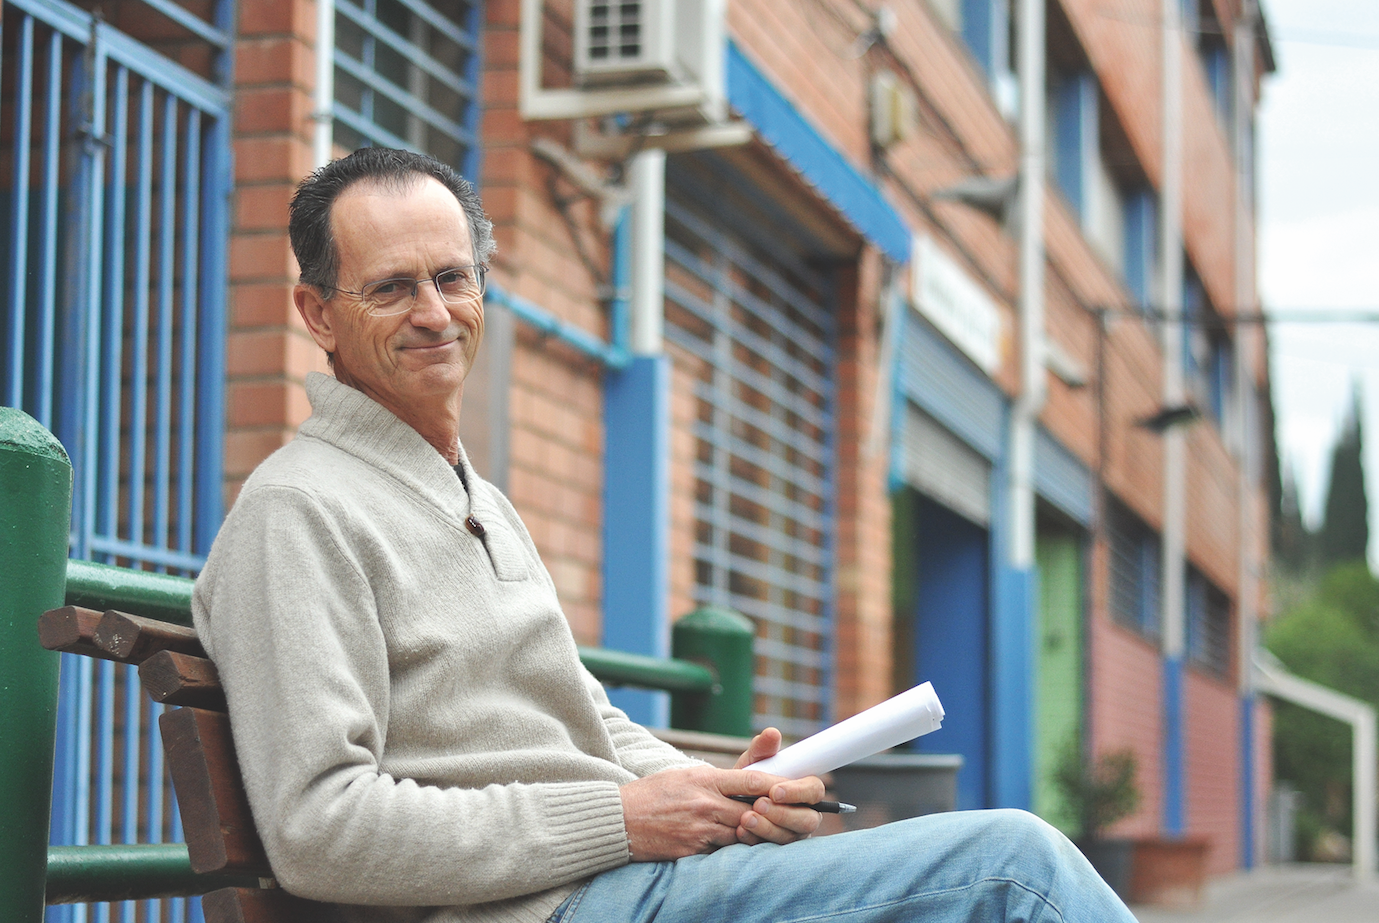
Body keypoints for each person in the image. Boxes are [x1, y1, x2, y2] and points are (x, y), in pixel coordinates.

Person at [193, 147, 1137, 923]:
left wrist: (711, 793)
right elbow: (319, 826)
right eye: (391, 288)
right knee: (1012, 870)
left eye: (451, 277)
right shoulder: (299, 511)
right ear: (318, 313)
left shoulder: (469, 492)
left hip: (611, 884)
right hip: (547, 907)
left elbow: (583, 715)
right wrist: (623, 820)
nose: (434, 313)